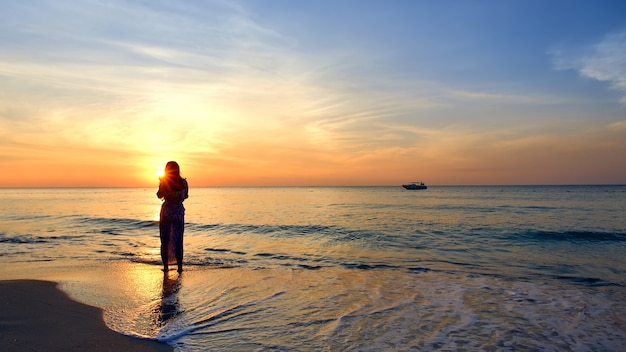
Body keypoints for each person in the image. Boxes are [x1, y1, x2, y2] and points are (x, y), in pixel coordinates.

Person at [157, 161, 189, 272]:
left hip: (166, 213)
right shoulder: (183, 183)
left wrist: (161, 183)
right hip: (178, 213)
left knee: (165, 240)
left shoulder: (165, 182)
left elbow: (159, 195)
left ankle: (166, 267)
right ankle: (179, 267)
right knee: (178, 240)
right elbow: (185, 196)